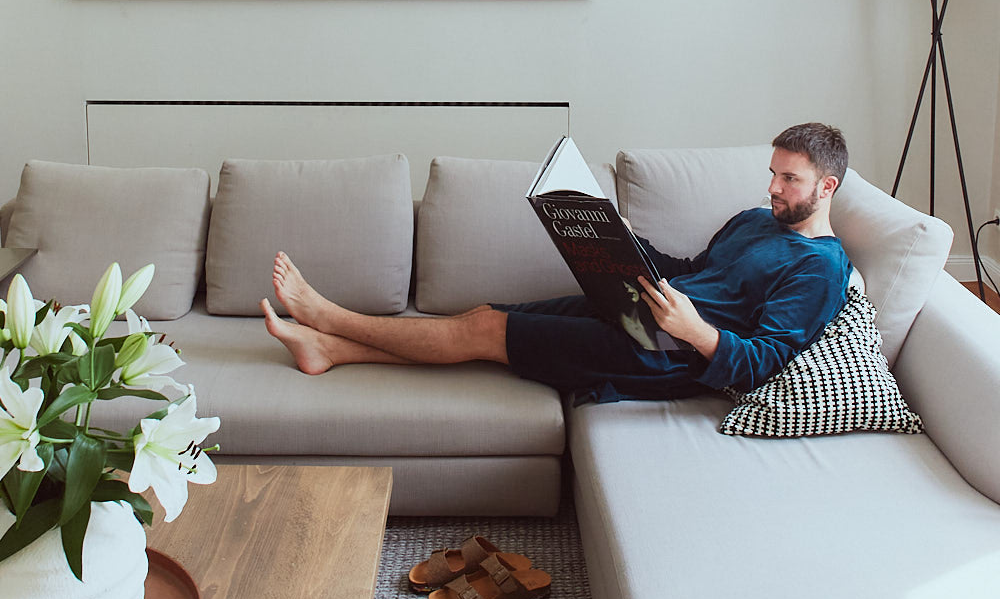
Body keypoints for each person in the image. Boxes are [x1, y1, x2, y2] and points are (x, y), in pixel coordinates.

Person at [260, 122, 852, 405]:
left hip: (664, 353)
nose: (773, 188)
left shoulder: (820, 269)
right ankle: (330, 349)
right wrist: (618, 235)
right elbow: (693, 270)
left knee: (484, 331)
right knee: (482, 318)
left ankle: (330, 318)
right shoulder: (755, 221)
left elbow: (765, 363)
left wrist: (694, 330)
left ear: (826, 187)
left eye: (789, 179)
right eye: (772, 173)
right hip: (639, 310)